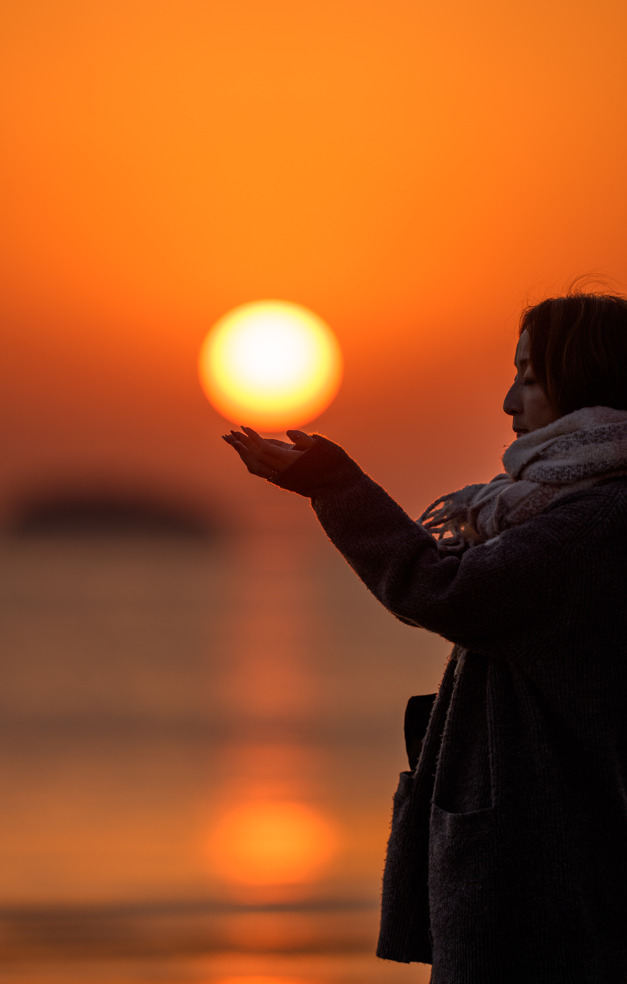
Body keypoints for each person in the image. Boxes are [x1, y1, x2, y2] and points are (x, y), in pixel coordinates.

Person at [223, 291, 627, 984]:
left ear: (586, 382)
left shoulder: (597, 517)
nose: (507, 401)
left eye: (529, 377)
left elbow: (444, 591)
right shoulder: (557, 508)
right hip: (555, 861)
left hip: (554, 873)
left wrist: (333, 485)